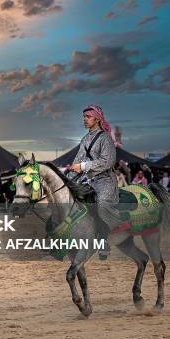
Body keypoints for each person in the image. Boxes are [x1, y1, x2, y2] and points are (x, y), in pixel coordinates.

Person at [66, 105, 120, 260]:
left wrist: (83, 166)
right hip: (88, 180)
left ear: (97, 119)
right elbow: (77, 161)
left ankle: (103, 241)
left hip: (105, 181)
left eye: (88, 117)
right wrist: (67, 180)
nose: (85, 120)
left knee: (101, 203)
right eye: (84, 117)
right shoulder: (85, 139)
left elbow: (108, 161)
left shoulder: (106, 138)